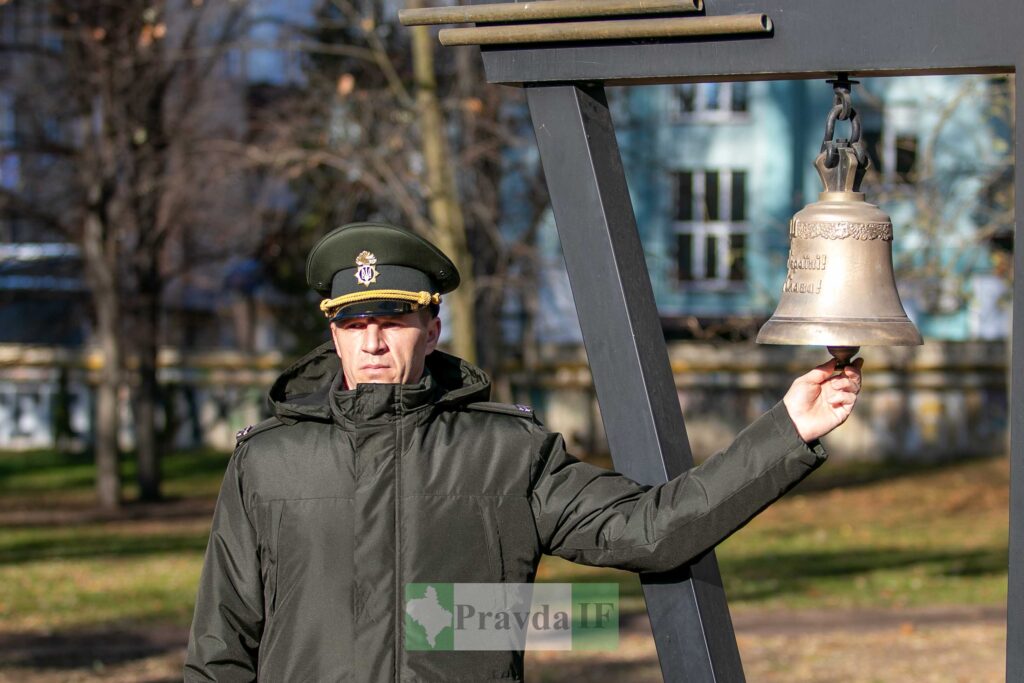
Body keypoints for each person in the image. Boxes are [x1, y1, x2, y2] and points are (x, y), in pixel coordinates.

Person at [184, 222, 863, 682]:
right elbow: (219, 648)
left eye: (392, 319)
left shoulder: (506, 451)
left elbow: (651, 529)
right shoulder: (266, 461)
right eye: (354, 322)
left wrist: (788, 428)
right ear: (332, 331)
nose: (372, 342)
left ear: (431, 325)